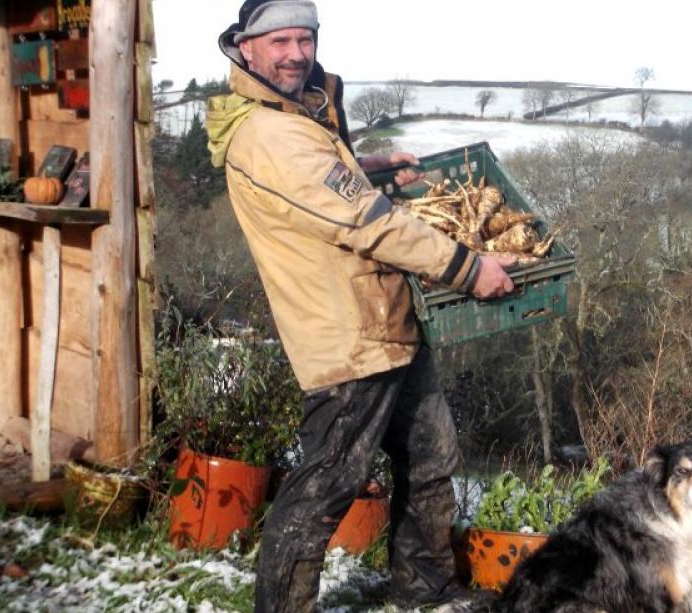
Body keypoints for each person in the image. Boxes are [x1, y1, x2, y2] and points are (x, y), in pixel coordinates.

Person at [207, 1, 516, 611]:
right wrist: (467, 267)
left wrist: (367, 168)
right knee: (325, 485)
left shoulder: (291, 114)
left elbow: (327, 187)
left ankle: (424, 588)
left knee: (429, 457)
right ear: (247, 48)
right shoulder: (268, 133)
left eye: (306, 39)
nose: (297, 53)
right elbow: (363, 222)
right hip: (346, 334)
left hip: (386, 315)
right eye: (281, 42)